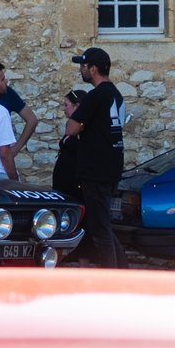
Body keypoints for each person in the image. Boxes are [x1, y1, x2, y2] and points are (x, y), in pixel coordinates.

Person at [62, 47, 128, 268]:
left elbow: (70, 128)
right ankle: (123, 272)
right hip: (111, 166)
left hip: (96, 169)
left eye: (83, 65)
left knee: (99, 229)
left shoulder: (96, 95)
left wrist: (80, 125)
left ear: (94, 68)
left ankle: (113, 280)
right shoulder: (116, 95)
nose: (81, 70)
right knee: (104, 225)